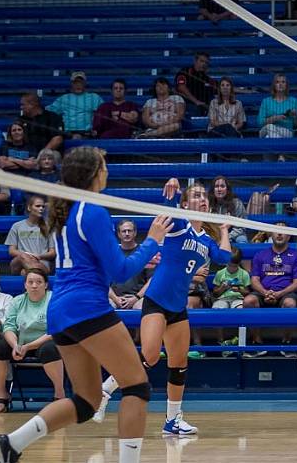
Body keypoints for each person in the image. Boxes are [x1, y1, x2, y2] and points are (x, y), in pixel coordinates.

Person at [0, 146, 173, 463]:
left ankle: (11, 444)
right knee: (137, 387)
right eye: (104, 164)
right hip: (88, 308)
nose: (108, 169)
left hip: (62, 311)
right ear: (94, 173)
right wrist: (152, 242)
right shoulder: (93, 210)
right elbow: (121, 272)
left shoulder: (67, 210)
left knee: (86, 401)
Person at [95, 179, 231, 435]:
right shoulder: (180, 226)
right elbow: (168, 214)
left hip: (178, 307)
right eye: (195, 196)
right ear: (185, 204)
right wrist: (171, 195)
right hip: (157, 300)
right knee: (150, 355)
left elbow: (224, 257)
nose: (201, 199)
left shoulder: (206, 240)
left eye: (204, 196)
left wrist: (224, 229)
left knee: (179, 363)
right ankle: (106, 389)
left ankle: (173, 420)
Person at [0, 268, 63, 413]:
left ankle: (59, 395)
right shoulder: (17, 301)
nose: (34, 285)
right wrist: (15, 345)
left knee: (50, 349)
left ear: (46, 285)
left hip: (44, 342)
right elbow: (8, 327)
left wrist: (28, 346)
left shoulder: (53, 299)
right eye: (31, 282)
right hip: (20, 344)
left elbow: (54, 329)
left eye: (39, 282)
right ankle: (2, 397)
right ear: (25, 285)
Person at [243, 225, 297, 351]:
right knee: (248, 301)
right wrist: (265, 292)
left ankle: (286, 343)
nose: (279, 234)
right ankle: (257, 342)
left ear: (289, 236)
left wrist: (279, 294)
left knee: (290, 304)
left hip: (286, 292)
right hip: (263, 292)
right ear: (271, 234)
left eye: (283, 232)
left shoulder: (296, 256)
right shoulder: (260, 255)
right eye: (276, 231)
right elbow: (254, 280)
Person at [5, 195, 54, 274]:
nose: (41, 208)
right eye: (38, 206)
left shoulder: (48, 227)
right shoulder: (17, 226)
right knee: (22, 257)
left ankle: (31, 274)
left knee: (24, 273)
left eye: (43, 207)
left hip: (41, 263)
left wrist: (39, 256)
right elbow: (12, 251)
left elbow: (52, 252)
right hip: (19, 263)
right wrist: (28, 256)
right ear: (29, 208)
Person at [108, 220, 150, 311]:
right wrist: (115, 299)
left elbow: (152, 280)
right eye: (123, 231)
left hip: (138, 298)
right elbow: (103, 281)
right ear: (118, 234)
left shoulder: (145, 253)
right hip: (114, 298)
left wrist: (136, 298)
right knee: (103, 306)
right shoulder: (110, 255)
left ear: (135, 233)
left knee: (143, 307)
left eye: (129, 231)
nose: (127, 234)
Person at [48, 72, 102, 139]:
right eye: (75, 82)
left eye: (80, 82)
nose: (78, 85)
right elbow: (49, 112)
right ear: (71, 84)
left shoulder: (94, 97)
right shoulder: (63, 98)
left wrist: (97, 128)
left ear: (85, 83)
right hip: (67, 133)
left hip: (87, 133)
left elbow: (104, 113)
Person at [258, 73, 297, 138]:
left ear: (286, 85)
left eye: (283, 82)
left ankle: (275, 144)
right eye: (277, 82)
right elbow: (260, 123)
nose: (280, 84)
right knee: (270, 127)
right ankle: (279, 145)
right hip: (266, 129)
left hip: (286, 131)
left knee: (268, 137)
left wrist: (295, 116)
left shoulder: (294, 101)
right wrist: (275, 118)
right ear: (274, 85)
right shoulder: (266, 101)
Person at [210, 175, 249, 244]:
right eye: (216, 186)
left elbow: (240, 227)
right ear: (213, 189)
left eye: (222, 186)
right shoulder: (209, 204)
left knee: (242, 240)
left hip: (234, 234)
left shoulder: (237, 203)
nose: (219, 189)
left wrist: (226, 237)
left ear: (227, 189)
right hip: (214, 234)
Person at [174, 52, 216, 117]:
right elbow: (181, 87)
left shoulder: (205, 77)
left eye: (206, 63)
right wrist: (196, 101)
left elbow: (218, 86)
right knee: (195, 109)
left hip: (202, 104)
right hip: (187, 103)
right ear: (195, 61)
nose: (204, 64)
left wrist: (235, 89)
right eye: (202, 61)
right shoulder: (184, 72)